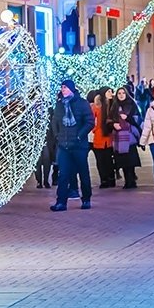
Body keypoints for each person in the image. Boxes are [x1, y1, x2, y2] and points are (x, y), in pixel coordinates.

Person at [49, 80, 94, 211]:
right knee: (63, 174)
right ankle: (61, 202)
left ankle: (86, 199)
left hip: (79, 145)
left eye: (66, 87)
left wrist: (80, 135)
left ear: (72, 89)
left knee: (83, 172)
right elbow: (55, 121)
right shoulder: (59, 105)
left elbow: (89, 122)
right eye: (62, 87)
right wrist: (58, 135)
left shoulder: (82, 103)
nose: (63, 89)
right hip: (64, 145)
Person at [108, 86, 143, 189]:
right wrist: (113, 124)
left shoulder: (131, 104)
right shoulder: (114, 106)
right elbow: (109, 120)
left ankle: (131, 180)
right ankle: (127, 180)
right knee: (122, 160)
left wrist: (128, 118)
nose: (121, 95)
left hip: (129, 136)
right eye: (119, 93)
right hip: (118, 137)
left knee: (130, 159)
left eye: (123, 93)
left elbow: (138, 119)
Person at [91, 88, 116, 189]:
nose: (111, 93)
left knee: (109, 160)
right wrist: (95, 129)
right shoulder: (97, 106)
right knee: (101, 160)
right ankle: (104, 179)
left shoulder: (113, 104)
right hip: (99, 136)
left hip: (110, 137)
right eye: (108, 91)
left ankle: (111, 178)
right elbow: (92, 120)